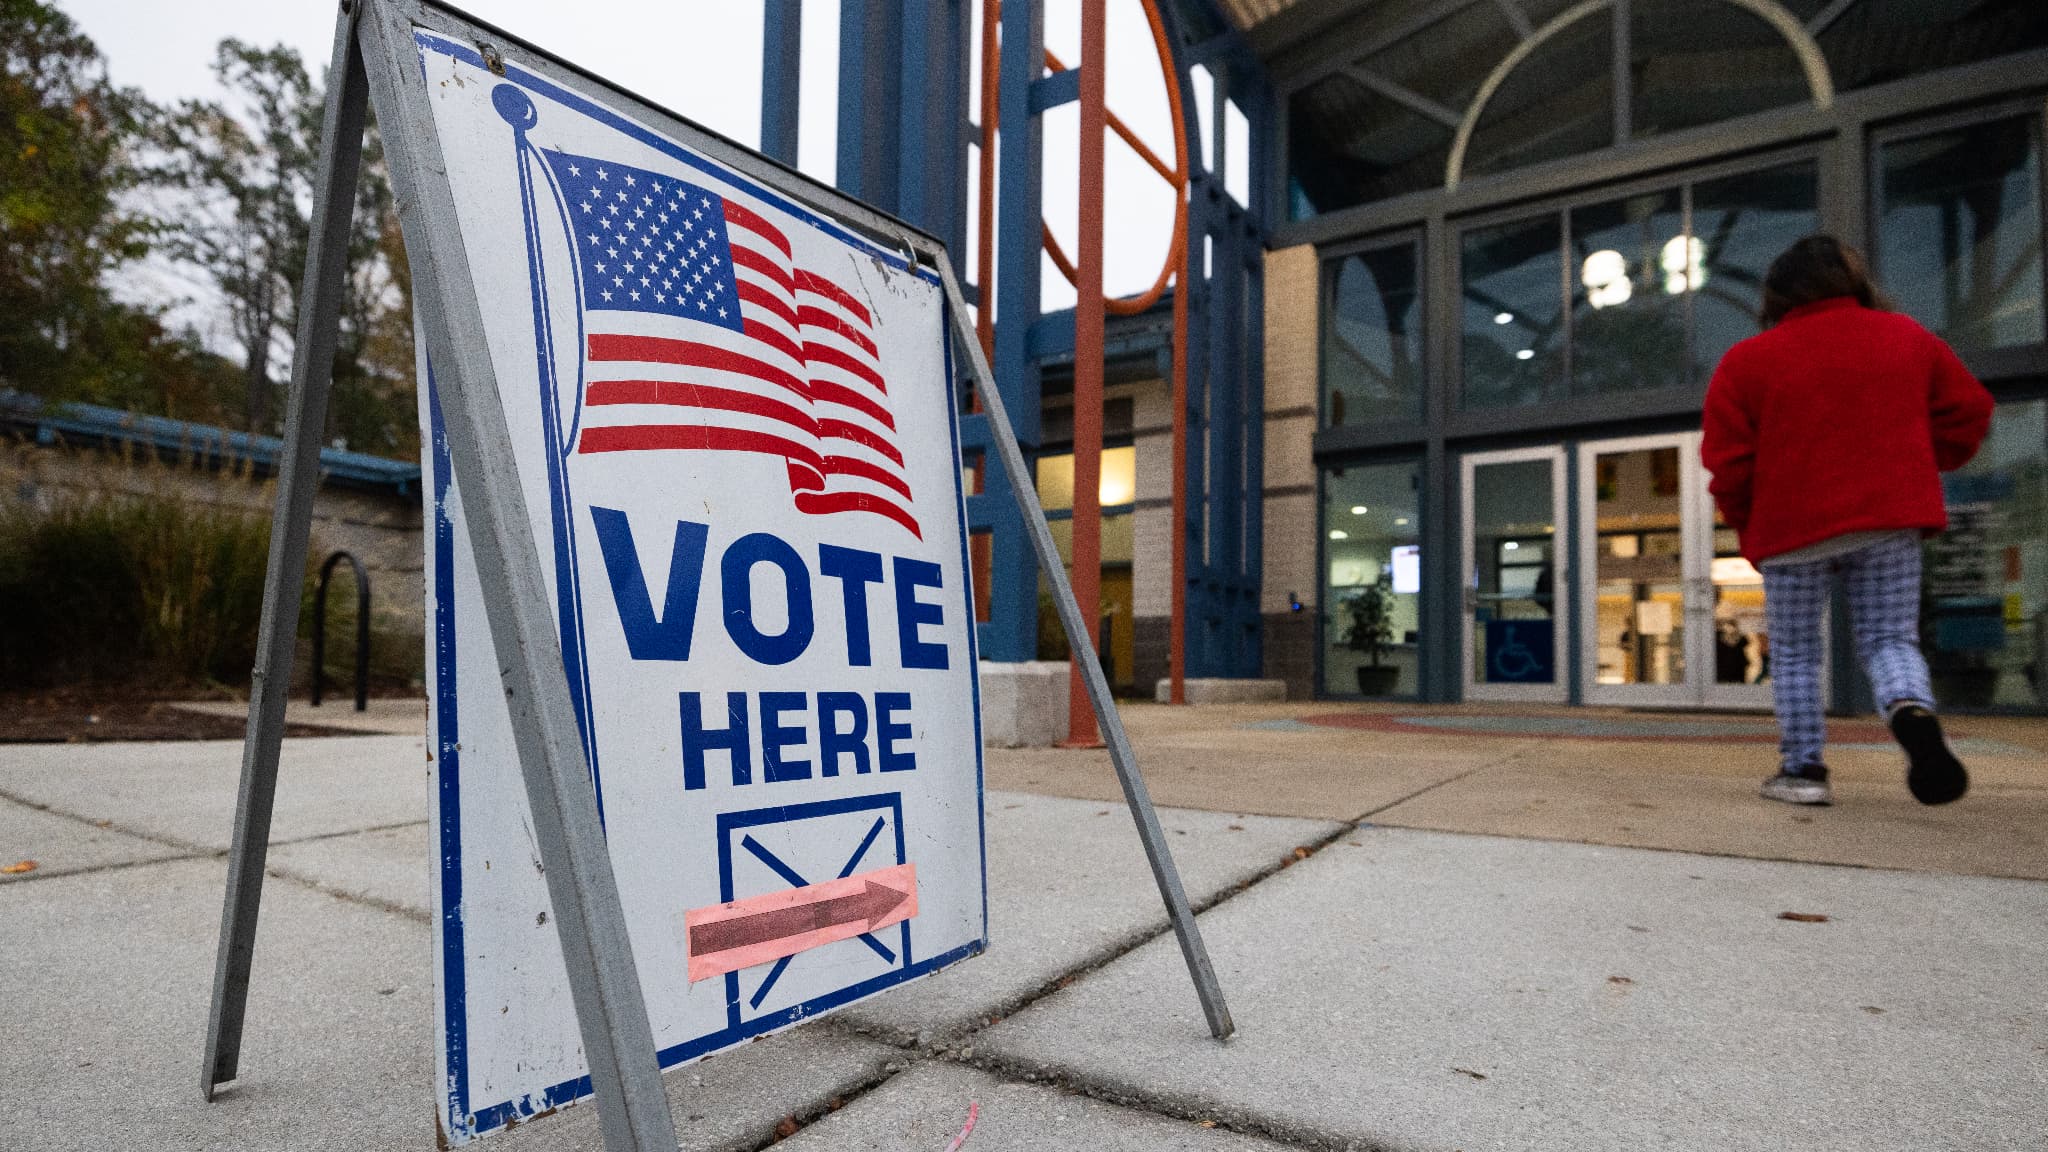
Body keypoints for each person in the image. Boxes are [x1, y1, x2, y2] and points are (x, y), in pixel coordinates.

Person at [1701, 235, 1994, 807]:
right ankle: (1911, 712)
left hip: (1791, 532)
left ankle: (1804, 770)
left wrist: (1747, 523)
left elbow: (1728, 462)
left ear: (1778, 294)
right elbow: (1969, 411)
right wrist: (1916, 462)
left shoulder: (1747, 361)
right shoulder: (1908, 338)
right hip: (1888, 518)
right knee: (1890, 639)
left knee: (1794, 654)